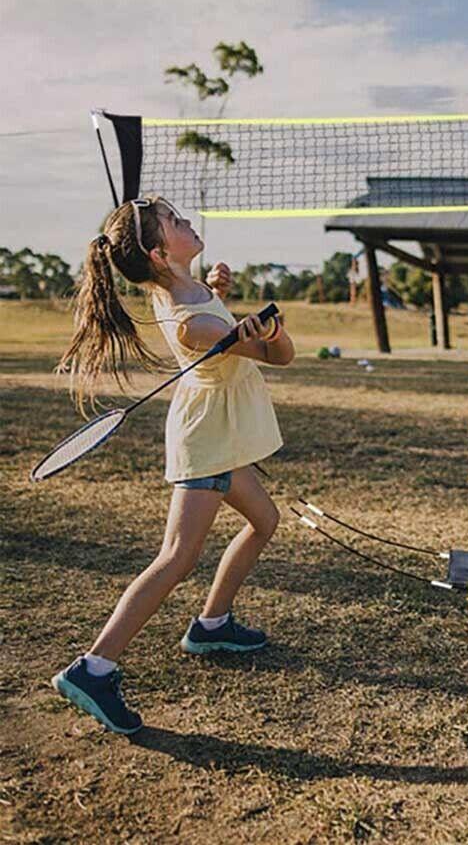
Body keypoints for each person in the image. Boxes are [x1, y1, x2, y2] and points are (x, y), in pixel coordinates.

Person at [50, 197, 294, 735]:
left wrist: (217, 295)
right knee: (177, 557)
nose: (187, 222)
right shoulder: (192, 324)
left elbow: (197, 307)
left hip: (219, 436)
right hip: (207, 443)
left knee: (265, 521)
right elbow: (281, 357)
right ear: (159, 253)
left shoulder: (181, 290)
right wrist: (267, 333)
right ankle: (94, 667)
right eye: (176, 222)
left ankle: (212, 624)